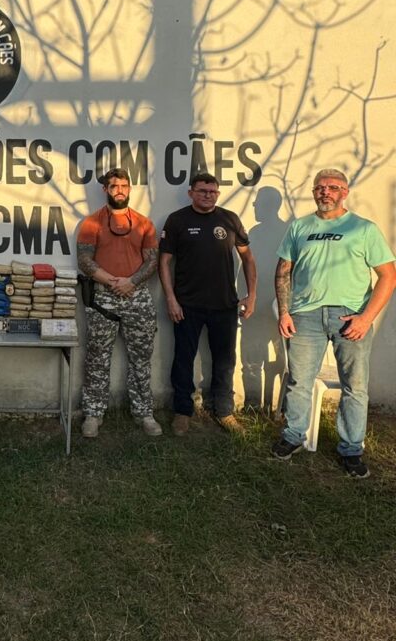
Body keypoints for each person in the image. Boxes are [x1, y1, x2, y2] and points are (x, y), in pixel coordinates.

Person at [273, 169, 396, 478]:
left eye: (332, 187)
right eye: (320, 187)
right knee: (300, 381)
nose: (325, 192)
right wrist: (285, 312)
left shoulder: (363, 229)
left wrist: (366, 318)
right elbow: (284, 270)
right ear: (314, 192)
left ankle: (351, 449)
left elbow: (388, 276)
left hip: (350, 317)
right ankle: (293, 436)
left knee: (355, 386)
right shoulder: (300, 227)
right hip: (305, 316)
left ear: (345, 192)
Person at [159, 173, 257, 435]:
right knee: (183, 359)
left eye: (213, 192)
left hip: (224, 305)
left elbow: (248, 259)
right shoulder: (177, 220)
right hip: (187, 305)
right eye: (202, 191)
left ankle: (224, 411)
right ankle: (182, 412)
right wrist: (171, 298)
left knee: (225, 361)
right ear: (191, 192)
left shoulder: (230, 219)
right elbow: (164, 262)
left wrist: (252, 295)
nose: (208, 195)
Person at [77, 168, 161, 438]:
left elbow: (152, 260)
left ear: (130, 188)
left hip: (137, 297)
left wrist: (131, 282)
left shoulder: (144, 223)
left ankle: (144, 413)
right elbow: (84, 260)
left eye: (124, 186)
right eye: (114, 186)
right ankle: (93, 413)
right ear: (106, 189)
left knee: (141, 358)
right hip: (103, 297)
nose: (120, 190)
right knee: (97, 357)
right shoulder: (92, 223)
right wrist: (112, 281)